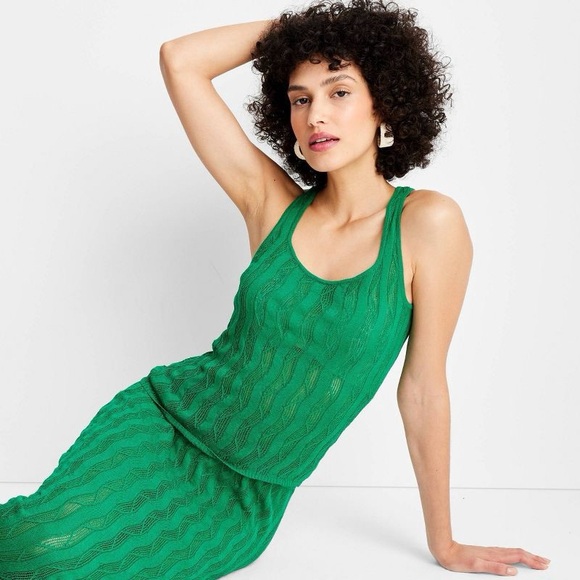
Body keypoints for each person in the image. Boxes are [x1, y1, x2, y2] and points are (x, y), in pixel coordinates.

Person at [0, 1, 550, 578]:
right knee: (37, 543)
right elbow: (180, 60)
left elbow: (422, 388)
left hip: (243, 496)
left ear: (385, 105)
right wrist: (304, 32)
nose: (316, 114)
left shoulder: (428, 224)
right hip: (160, 422)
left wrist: (445, 542)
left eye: (339, 91)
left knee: (72, 564)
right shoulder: (271, 206)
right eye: (300, 98)